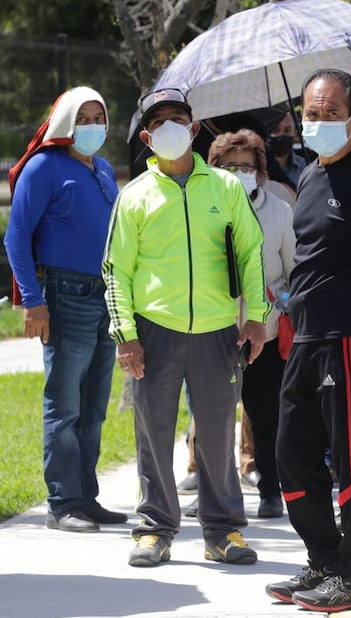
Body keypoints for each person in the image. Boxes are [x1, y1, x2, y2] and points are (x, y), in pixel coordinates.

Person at [103, 88, 269, 567]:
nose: (171, 127)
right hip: (154, 330)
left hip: (219, 331)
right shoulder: (134, 196)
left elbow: (250, 255)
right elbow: (116, 270)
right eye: (160, 121)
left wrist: (256, 317)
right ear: (146, 136)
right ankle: (155, 528)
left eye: (179, 118)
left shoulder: (226, 187)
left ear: (195, 129)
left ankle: (223, 532)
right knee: (153, 431)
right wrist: (126, 335)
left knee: (217, 431)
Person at [265, 69, 351, 613]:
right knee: (291, 455)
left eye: (329, 112)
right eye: (309, 112)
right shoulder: (310, 177)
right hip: (304, 338)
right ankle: (323, 562)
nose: (317, 122)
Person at [4, 86, 124, 533]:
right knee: (65, 405)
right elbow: (15, 237)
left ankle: (85, 497)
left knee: (94, 407)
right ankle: (62, 503)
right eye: (85, 117)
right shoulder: (43, 167)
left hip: (105, 297)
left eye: (100, 117)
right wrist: (33, 302)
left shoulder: (105, 169)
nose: (94, 126)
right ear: (66, 122)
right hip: (63, 295)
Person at [208, 129, 295, 519]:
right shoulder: (202, 208)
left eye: (246, 165)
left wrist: (283, 306)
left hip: (266, 329)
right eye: (230, 166)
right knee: (214, 416)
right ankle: (213, 492)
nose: (239, 173)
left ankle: (270, 490)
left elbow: (294, 272)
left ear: (260, 170)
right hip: (211, 327)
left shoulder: (279, 211)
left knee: (265, 415)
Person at [269, 111, 308, 188]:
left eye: (287, 130)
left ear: (295, 133)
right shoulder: (259, 167)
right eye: (276, 130)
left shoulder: (306, 168)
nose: (281, 134)